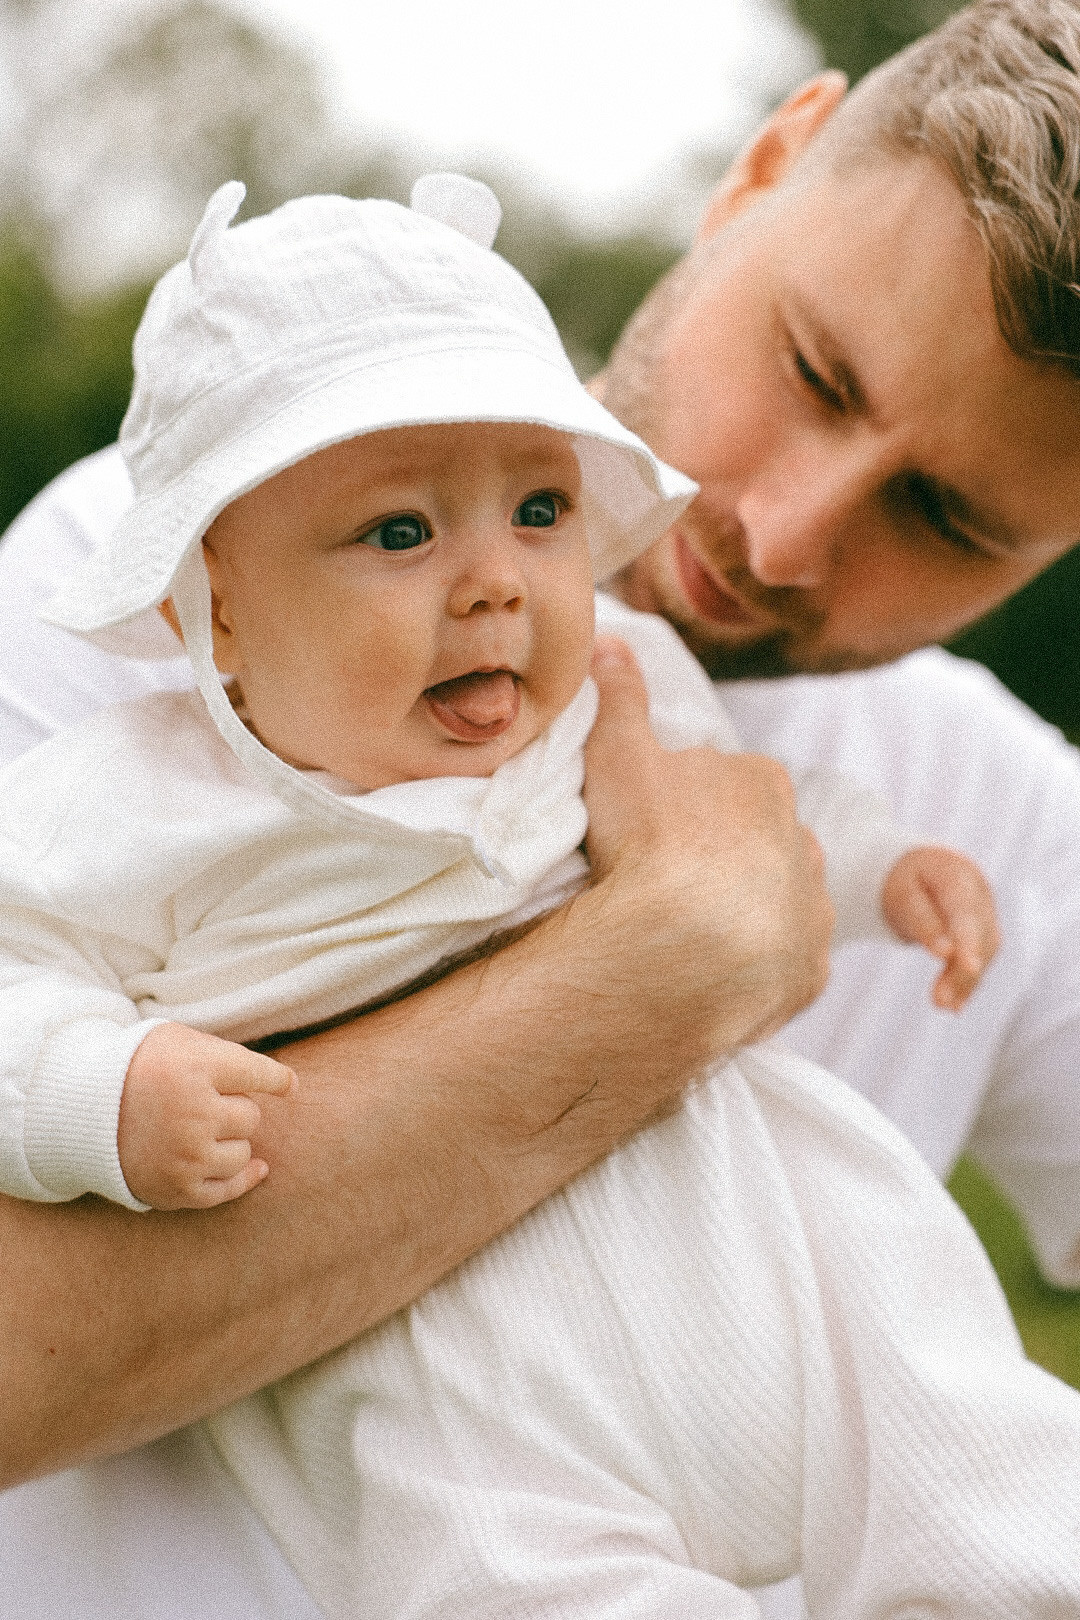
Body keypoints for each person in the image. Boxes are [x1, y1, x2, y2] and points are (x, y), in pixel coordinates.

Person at [1, 0, 1079, 1612]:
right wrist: (664, 968)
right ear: (768, 163)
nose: (782, 535)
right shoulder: (161, 623)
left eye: (946, 519)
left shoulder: (996, 804)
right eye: (815, 371)